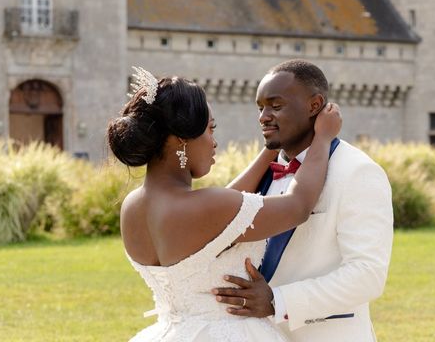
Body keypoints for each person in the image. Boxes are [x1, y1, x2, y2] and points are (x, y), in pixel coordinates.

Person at [108, 66, 342, 342]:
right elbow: (297, 206)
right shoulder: (206, 206)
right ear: (182, 140)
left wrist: (272, 147)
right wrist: (323, 139)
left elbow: (223, 214)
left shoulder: (133, 207)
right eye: (210, 129)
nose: (214, 142)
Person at [213, 59, 393, 342]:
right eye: (260, 108)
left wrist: (278, 301)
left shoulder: (358, 171)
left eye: (276, 105)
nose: (263, 116)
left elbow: (367, 274)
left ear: (314, 105)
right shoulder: (263, 171)